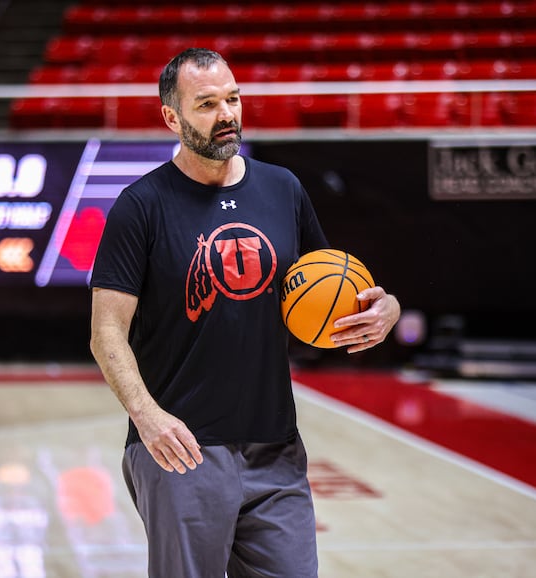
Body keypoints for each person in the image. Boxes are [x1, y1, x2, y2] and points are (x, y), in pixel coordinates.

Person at [89, 47, 401, 578]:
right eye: (207, 103)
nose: (227, 113)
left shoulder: (283, 188)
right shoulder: (140, 206)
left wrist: (384, 307)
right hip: (182, 448)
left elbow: (329, 289)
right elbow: (106, 332)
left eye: (232, 98)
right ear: (172, 117)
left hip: (275, 447)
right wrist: (148, 419)